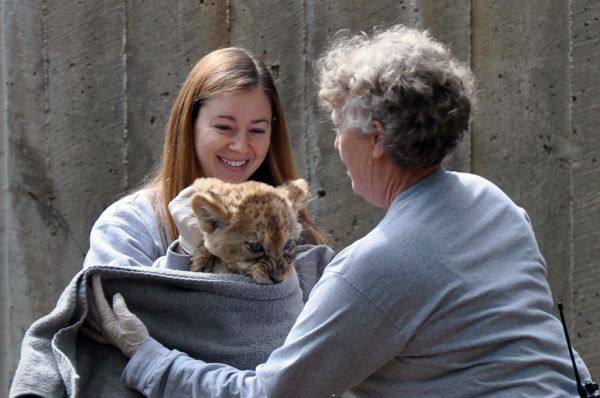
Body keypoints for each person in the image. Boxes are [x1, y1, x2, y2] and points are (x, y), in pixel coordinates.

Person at [89, 25, 594, 397]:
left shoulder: (373, 266)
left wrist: (150, 357)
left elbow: (269, 395)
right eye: (224, 125)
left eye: (338, 126)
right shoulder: (494, 203)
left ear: (375, 137)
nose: (334, 143)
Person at [82, 47, 328, 272]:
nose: (241, 146)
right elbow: (111, 310)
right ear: (189, 124)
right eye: (224, 127)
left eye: (257, 130)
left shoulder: (295, 234)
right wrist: (184, 251)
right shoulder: (128, 225)